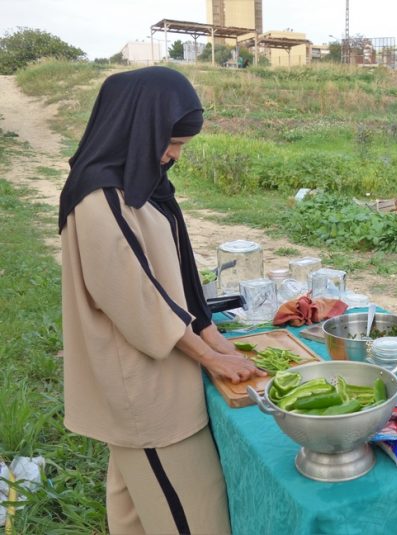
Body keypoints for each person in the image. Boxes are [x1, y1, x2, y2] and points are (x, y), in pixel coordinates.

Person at [59, 66, 265, 534]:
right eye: (170, 141)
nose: (173, 155)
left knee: (135, 508)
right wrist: (211, 359)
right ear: (138, 125)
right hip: (146, 391)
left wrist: (215, 336)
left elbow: (180, 274)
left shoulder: (141, 183)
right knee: (193, 512)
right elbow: (137, 299)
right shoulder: (101, 197)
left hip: (156, 377)